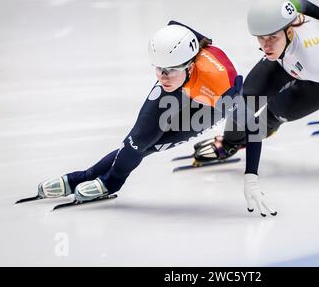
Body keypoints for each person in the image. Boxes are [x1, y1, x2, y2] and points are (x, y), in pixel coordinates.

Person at [193, 0, 319, 217]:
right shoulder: (284, 21)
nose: (266, 45)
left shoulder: (318, 63)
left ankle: (261, 129)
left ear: (289, 30)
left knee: (275, 110)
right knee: (244, 101)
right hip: (286, 58)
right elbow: (302, 3)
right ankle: (230, 143)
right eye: (260, 39)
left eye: (272, 38)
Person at [35, 21, 242, 203]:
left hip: (210, 103)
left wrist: (235, 148)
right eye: (158, 68)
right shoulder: (174, 55)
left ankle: (110, 183)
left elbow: (247, 120)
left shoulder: (222, 86)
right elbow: (174, 27)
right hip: (182, 85)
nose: (162, 76)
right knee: (137, 141)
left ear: (189, 66)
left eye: (169, 69)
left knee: (150, 146)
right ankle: (84, 176)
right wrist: (171, 71)